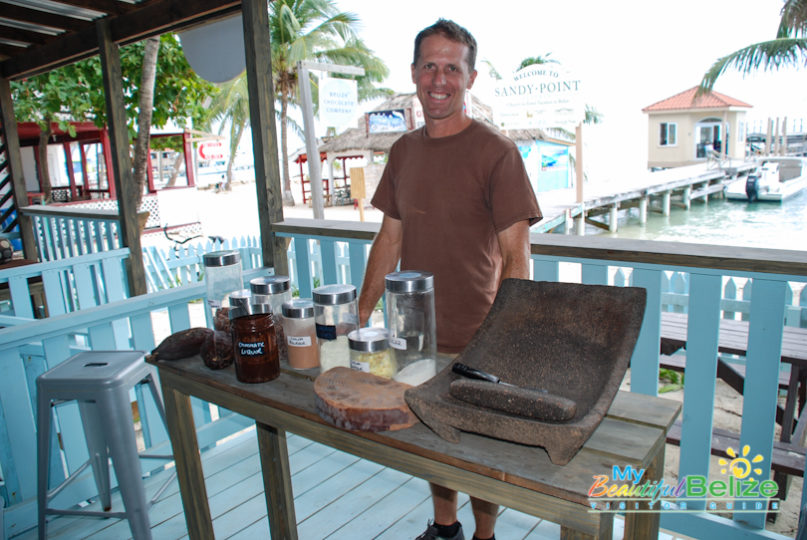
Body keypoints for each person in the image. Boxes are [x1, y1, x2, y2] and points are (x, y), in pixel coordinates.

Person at [357, 18, 542, 540]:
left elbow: (516, 257)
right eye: (430, 66)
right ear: (414, 73)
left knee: (478, 453)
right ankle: (445, 529)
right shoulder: (403, 152)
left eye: (452, 69)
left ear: (471, 77)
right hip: (414, 337)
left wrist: (501, 339)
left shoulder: (497, 152)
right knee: (431, 441)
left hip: (477, 337)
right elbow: (388, 241)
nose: (440, 80)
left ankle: (484, 537)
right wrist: (361, 314)